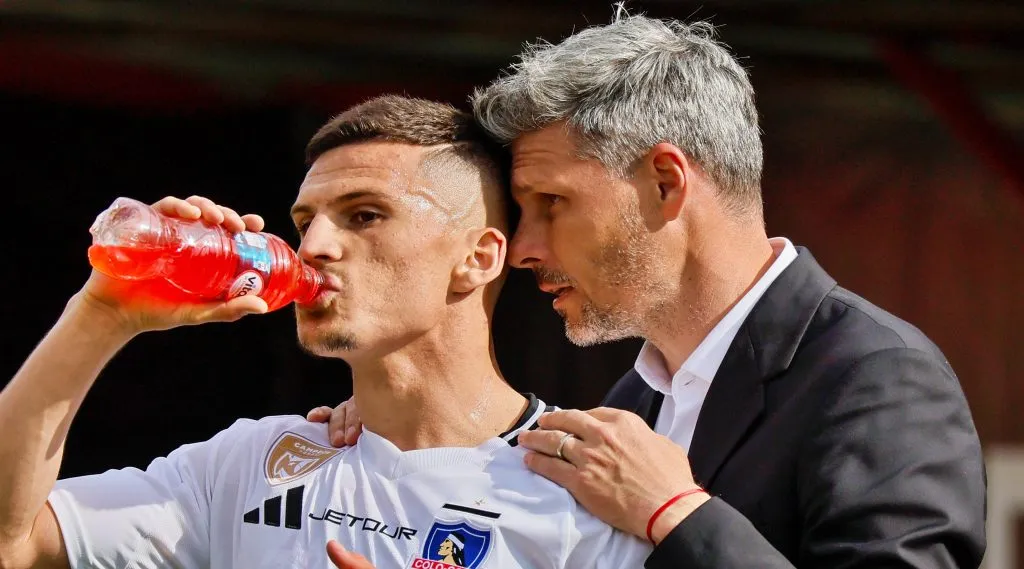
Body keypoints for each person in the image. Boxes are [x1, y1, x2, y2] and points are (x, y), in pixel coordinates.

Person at [313, 13, 987, 569]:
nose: (524, 248)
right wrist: (388, 423)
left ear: (666, 181)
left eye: (550, 201)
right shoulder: (633, 401)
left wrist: (676, 513)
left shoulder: (880, 376)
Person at [0, 95, 651, 569]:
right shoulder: (250, 460)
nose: (312, 245)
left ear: (477, 257)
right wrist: (100, 317)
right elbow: (12, 538)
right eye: (303, 219)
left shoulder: (591, 482)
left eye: (363, 214)